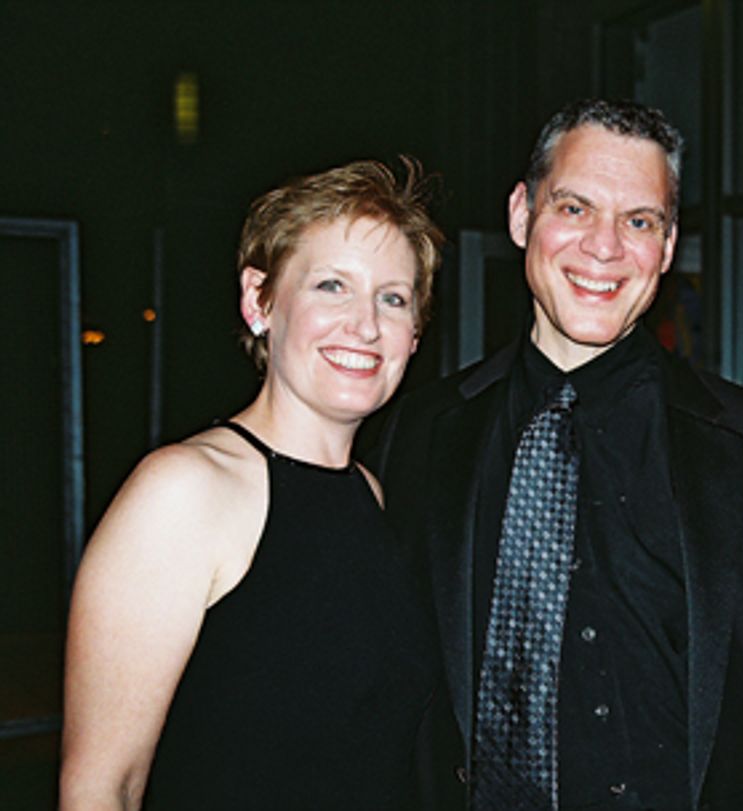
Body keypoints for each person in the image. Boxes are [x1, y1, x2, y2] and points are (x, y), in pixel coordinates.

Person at [372, 98, 743, 810]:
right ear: (522, 215)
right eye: (574, 208)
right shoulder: (418, 434)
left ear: (668, 247)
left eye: (639, 221)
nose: (604, 248)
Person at [59, 159, 443, 810]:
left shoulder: (369, 495)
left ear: (414, 335)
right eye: (331, 285)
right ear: (258, 300)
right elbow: (102, 788)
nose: (366, 324)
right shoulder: (184, 492)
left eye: (393, 297)